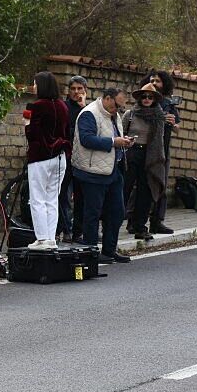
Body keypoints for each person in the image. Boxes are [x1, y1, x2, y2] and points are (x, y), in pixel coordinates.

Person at [72, 88, 134, 264]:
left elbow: (113, 136)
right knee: (93, 213)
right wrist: (114, 142)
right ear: (107, 99)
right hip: (93, 172)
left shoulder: (113, 115)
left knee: (117, 212)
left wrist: (125, 141)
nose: (118, 110)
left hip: (113, 170)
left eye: (121, 108)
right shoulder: (89, 114)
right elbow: (86, 139)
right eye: (116, 106)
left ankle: (109, 250)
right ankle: (91, 252)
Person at [23, 71, 70, 250]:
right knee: (52, 198)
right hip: (60, 155)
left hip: (40, 156)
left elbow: (32, 133)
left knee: (37, 198)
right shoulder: (63, 106)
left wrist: (26, 124)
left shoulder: (38, 106)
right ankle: (50, 237)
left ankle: (42, 238)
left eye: (35, 84)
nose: (34, 87)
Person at [121, 84, 168, 240]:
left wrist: (158, 159)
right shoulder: (130, 114)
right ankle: (113, 223)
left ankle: (140, 226)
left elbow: (159, 140)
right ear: (139, 98)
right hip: (131, 153)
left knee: (145, 191)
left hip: (150, 155)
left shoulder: (158, 116)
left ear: (154, 99)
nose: (147, 99)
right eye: (144, 96)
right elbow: (120, 133)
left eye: (150, 97)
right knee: (124, 189)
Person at [144, 71, 181, 234]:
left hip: (163, 150)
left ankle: (157, 221)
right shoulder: (144, 100)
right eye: (152, 80)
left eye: (157, 81)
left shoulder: (169, 103)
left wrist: (172, 123)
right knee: (142, 187)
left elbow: (178, 127)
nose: (154, 83)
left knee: (161, 186)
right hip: (144, 149)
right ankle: (135, 220)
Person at [60, 75, 87, 242]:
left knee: (81, 197)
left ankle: (79, 231)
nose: (76, 92)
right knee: (64, 195)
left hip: (83, 159)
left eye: (80, 89)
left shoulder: (89, 110)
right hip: (66, 156)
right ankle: (66, 230)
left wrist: (83, 107)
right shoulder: (64, 107)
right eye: (73, 89)